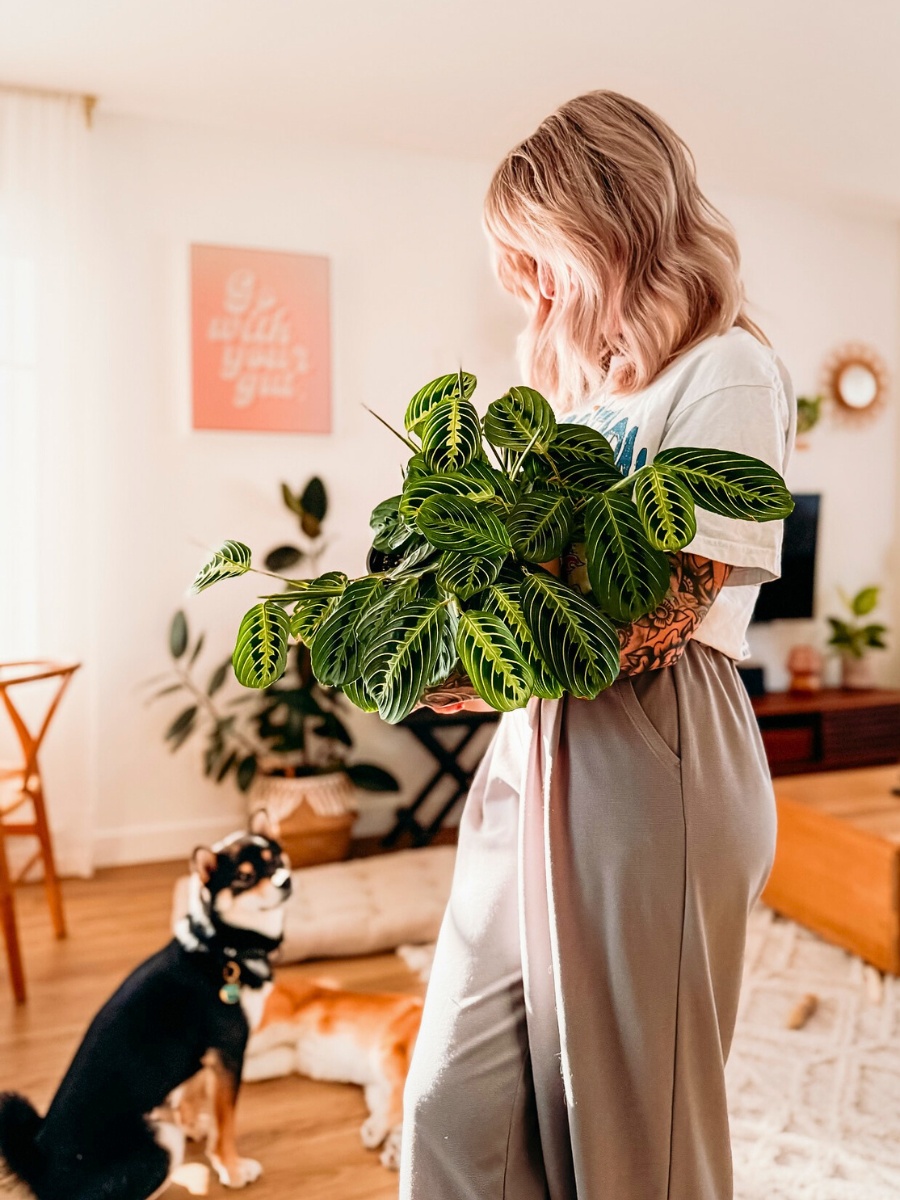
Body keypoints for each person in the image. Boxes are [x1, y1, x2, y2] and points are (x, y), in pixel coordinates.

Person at [398, 90, 796, 1200]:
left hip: (657, 747)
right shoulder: (586, 401)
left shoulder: (726, 371)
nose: (524, 287)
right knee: (452, 1105)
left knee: (634, 1145)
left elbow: (665, 605)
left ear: (606, 227)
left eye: (537, 255)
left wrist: (492, 659)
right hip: (536, 743)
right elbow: (537, 587)